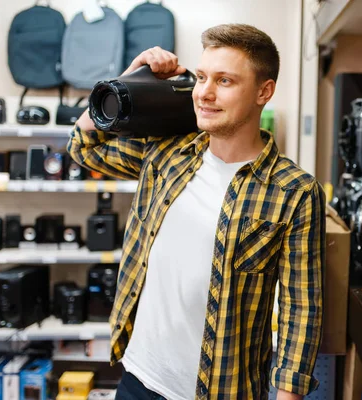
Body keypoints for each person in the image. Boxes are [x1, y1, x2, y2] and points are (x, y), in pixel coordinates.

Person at [68, 23, 325, 400]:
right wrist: (129, 77)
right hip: (137, 379)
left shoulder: (294, 191)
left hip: (222, 390)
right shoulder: (167, 153)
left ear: (263, 91)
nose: (204, 92)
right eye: (202, 77)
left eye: (224, 81)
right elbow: (84, 146)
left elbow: (301, 310)